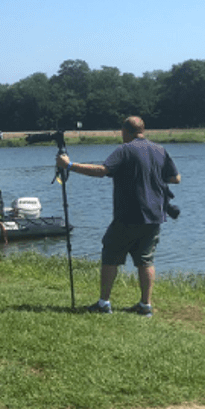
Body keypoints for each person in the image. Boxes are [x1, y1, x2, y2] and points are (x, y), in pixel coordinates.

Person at [56, 116, 181, 317]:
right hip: (154, 216)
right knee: (146, 260)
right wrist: (151, 177)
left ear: (125, 131)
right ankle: (145, 305)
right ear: (143, 130)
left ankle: (104, 303)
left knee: (110, 256)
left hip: (128, 215)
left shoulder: (125, 150)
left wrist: (70, 165)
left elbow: (102, 171)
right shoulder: (159, 150)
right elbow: (175, 178)